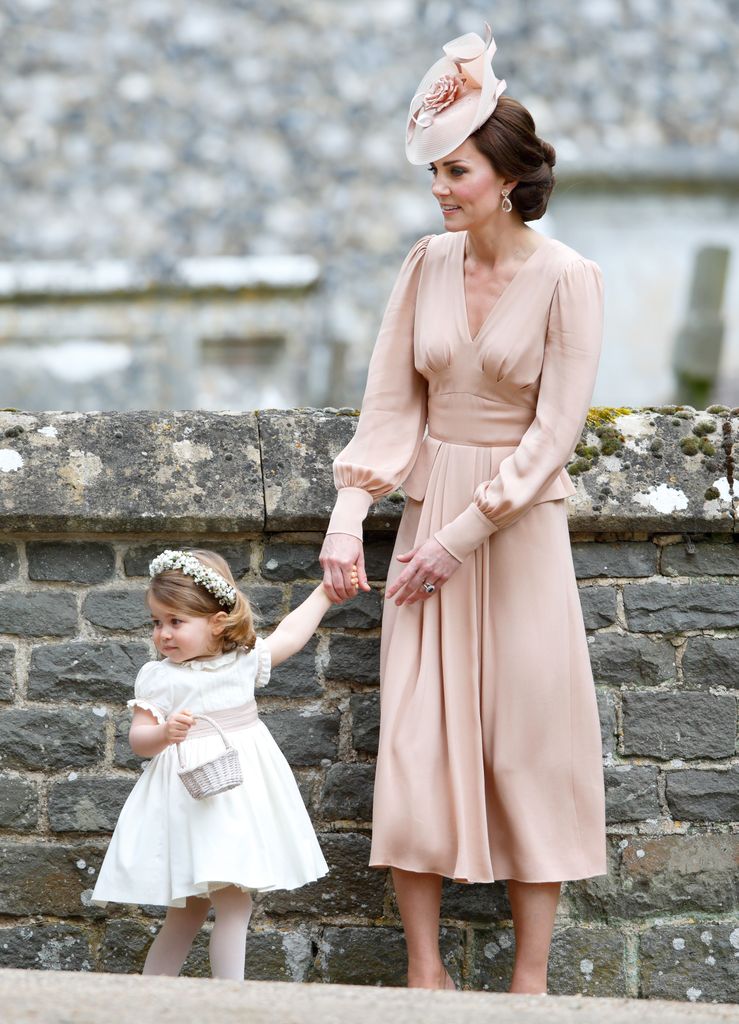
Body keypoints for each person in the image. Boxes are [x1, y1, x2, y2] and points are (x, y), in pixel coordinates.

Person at [319, 25, 607, 994]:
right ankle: (425, 973)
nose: (440, 188)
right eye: (436, 170)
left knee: (531, 732)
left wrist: (460, 533)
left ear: (509, 176)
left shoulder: (570, 278)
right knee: (417, 731)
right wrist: (346, 517)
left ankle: (529, 982)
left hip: (514, 531)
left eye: (457, 170)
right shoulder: (423, 265)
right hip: (429, 502)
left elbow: (554, 431)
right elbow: (390, 403)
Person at [92, 548, 357, 980]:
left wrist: (326, 593)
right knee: (191, 910)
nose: (164, 634)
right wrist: (163, 734)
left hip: (237, 794)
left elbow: (290, 634)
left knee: (233, 901)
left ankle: (211, 998)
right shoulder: (159, 676)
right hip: (187, 800)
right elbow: (139, 740)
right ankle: (182, 999)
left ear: (217, 621)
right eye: (157, 622)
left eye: (176, 622)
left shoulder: (243, 660)